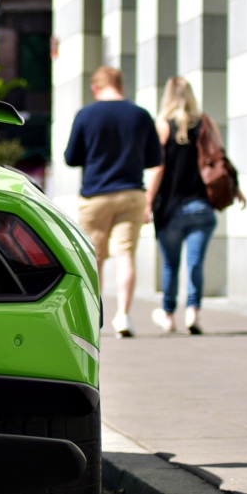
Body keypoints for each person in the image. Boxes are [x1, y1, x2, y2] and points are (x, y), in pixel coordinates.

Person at [65, 66, 163, 337]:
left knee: (93, 259)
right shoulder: (140, 115)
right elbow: (154, 159)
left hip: (96, 195)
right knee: (126, 255)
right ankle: (123, 317)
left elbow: (71, 157)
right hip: (131, 193)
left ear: (95, 88)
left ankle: (92, 319)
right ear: (121, 85)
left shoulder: (86, 114)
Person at [145, 77, 247, 335]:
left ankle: (168, 316)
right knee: (195, 264)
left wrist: (147, 203)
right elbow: (219, 158)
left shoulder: (162, 126)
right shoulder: (205, 122)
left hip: (170, 209)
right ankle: (193, 312)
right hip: (201, 208)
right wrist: (235, 188)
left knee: (170, 265)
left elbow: (158, 169)